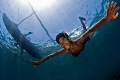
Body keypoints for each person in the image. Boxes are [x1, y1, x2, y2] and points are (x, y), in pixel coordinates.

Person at [31, 1, 119, 67]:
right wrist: (39, 62)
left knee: (86, 32)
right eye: (61, 43)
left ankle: (81, 20)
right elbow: (50, 56)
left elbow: (91, 30)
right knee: (75, 55)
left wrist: (106, 19)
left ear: (69, 38)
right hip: (75, 53)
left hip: (82, 44)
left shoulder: (78, 41)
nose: (63, 44)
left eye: (64, 40)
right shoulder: (64, 50)